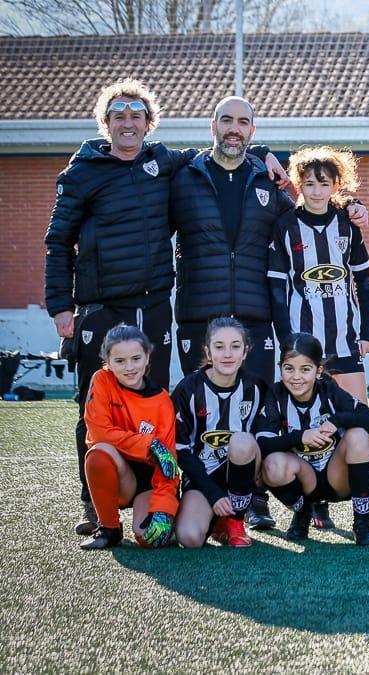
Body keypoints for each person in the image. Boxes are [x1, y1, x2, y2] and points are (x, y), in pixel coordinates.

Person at [44, 79, 285, 535]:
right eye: (119, 115)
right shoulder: (83, 171)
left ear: (149, 124)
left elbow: (225, 150)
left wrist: (272, 152)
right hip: (99, 306)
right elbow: (57, 241)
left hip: (154, 303)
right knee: (92, 405)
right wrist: (61, 304)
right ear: (106, 123)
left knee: (156, 407)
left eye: (137, 115)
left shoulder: (165, 163)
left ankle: (160, 494)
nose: (128, 122)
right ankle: (94, 505)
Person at [170, 96, 368, 530]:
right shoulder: (183, 175)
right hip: (198, 311)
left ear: (254, 131)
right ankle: (199, 492)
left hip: (255, 314)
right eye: (226, 120)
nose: (234, 128)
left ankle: (253, 499)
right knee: (199, 408)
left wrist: (350, 208)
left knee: (256, 409)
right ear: (212, 125)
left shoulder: (267, 182)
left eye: (244, 122)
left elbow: (310, 212)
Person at [269, 145, 369, 402]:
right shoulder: (285, 225)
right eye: (309, 184)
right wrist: (285, 338)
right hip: (301, 338)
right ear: (298, 185)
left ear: (336, 186)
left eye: (324, 184)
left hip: (345, 340)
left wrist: (367, 333)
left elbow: (364, 281)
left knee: (356, 418)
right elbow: (276, 289)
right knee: (307, 419)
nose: (316, 191)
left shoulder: (348, 224)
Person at [258, 333, 369, 546]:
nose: (296, 377)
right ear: (280, 368)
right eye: (289, 368)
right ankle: (303, 512)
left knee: (358, 435)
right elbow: (262, 444)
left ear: (319, 370)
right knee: (272, 463)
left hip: (338, 478)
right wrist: (299, 437)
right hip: (304, 479)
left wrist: (338, 420)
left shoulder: (329, 390)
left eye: (305, 369)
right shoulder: (275, 394)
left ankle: (362, 523)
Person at [172, 318, 275, 548]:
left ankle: (236, 520)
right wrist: (212, 493)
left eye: (235, 346)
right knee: (189, 538)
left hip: (242, 465)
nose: (227, 354)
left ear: (245, 352)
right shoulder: (187, 389)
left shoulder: (256, 387)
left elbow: (266, 437)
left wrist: (260, 467)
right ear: (208, 352)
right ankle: (218, 521)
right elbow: (180, 451)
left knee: (241, 441)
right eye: (219, 347)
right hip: (203, 475)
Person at [79, 325, 180, 550]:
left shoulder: (162, 401)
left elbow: (168, 463)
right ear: (107, 361)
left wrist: (164, 509)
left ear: (147, 357)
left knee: (148, 539)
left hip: (148, 481)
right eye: (120, 361)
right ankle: (108, 528)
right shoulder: (102, 380)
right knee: (98, 453)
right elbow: (98, 432)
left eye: (136, 358)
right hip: (118, 474)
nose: (130, 367)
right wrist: (148, 443)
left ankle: (172, 517)